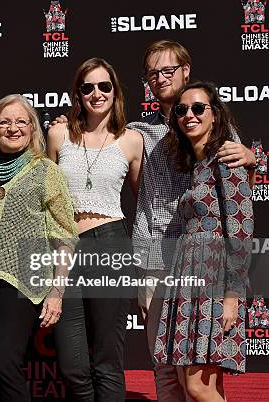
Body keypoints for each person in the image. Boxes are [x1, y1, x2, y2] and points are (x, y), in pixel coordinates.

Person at [126, 40, 256, 402]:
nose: (161, 78)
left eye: (168, 70)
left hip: (207, 265)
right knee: (167, 371)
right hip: (158, 255)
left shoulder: (221, 136)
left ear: (186, 70)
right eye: (153, 73)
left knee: (201, 379)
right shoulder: (139, 131)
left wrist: (252, 159)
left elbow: (240, 202)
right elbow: (98, 140)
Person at [0, 94, 77, 402]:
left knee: (3, 363)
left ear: (33, 128)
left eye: (21, 121)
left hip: (20, 283)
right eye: (4, 122)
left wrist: (57, 292)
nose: (13, 128)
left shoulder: (45, 171)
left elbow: (64, 235)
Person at [46, 58, 143, 401]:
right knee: (73, 364)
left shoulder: (132, 141)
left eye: (104, 86)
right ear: (78, 93)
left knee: (107, 360)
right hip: (64, 249)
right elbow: (45, 196)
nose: (96, 93)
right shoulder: (58, 134)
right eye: (88, 87)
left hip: (110, 244)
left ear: (115, 92)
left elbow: (143, 202)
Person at [154, 81, 253, 402]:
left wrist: (233, 296)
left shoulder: (226, 158)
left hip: (215, 282)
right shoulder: (198, 165)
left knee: (197, 387)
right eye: (182, 110)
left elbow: (240, 230)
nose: (189, 115)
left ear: (215, 115)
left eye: (199, 108)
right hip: (189, 281)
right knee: (206, 386)